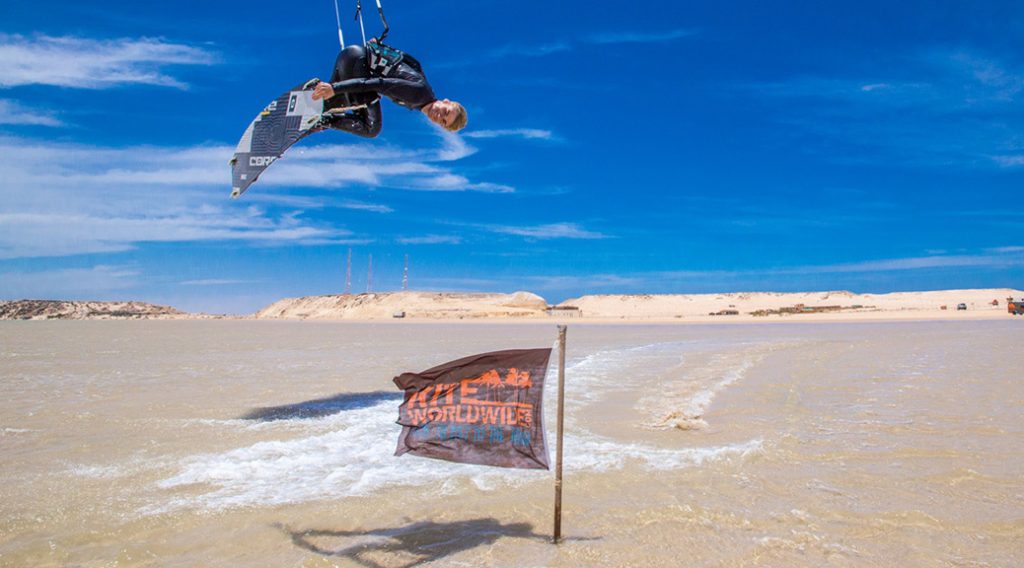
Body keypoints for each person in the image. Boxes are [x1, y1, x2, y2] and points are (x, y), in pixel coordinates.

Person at [311, 41, 467, 138]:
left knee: (333, 105)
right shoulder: (418, 95)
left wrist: (381, 48)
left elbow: (415, 64)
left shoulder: (422, 95)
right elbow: (378, 83)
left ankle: (316, 107)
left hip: (354, 59)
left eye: (442, 121)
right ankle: (322, 119)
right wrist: (335, 88)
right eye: (445, 112)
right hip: (356, 63)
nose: (439, 116)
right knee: (371, 128)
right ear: (446, 101)